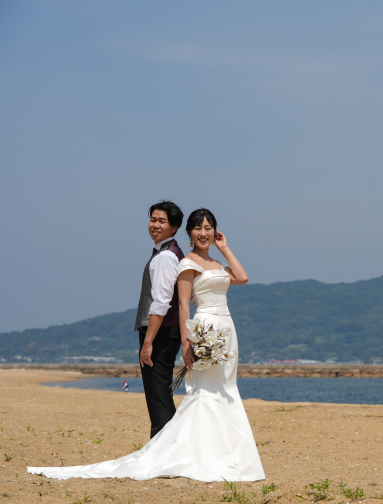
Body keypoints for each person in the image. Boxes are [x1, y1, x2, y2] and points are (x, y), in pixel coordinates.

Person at [28, 208, 265, 482]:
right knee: (204, 391)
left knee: (226, 388)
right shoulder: (187, 263)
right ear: (188, 233)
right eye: (198, 228)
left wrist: (225, 248)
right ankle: (197, 454)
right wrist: (188, 342)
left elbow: (242, 277)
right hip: (205, 329)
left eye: (209, 228)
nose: (203, 232)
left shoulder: (217, 264)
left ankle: (232, 454)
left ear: (215, 231)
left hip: (226, 332)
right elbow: (184, 307)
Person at [136, 201, 185, 438]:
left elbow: (161, 303)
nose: (155, 225)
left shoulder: (166, 257)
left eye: (161, 221)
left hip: (160, 332)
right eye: (153, 220)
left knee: (158, 394)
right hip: (164, 331)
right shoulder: (167, 253)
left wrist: (148, 342)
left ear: (174, 227)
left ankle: (165, 449)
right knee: (159, 393)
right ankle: (165, 447)